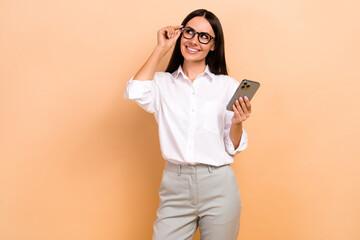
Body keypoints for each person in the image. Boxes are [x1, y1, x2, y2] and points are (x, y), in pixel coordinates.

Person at [124, 9, 252, 240]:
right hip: (175, 185)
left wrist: (237, 122)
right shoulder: (162, 83)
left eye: (204, 36)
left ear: (214, 45)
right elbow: (136, 91)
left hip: (218, 185)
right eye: (189, 32)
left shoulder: (226, 86)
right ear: (180, 35)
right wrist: (161, 48)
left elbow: (232, 145)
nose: (194, 40)